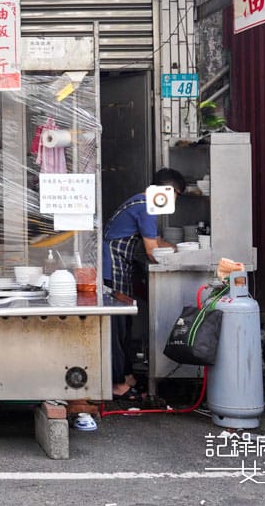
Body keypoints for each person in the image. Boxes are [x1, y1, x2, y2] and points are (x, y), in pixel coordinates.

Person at [103, 167, 186, 401]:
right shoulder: (147, 206)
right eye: (176, 196)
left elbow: (156, 240)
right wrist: (174, 259)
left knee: (125, 324)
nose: (175, 202)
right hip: (112, 267)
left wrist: (178, 249)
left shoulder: (141, 202)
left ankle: (126, 376)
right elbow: (152, 251)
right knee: (117, 326)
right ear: (167, 191)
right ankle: (117, 383)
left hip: (118, 266)